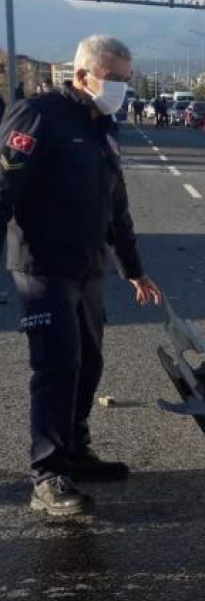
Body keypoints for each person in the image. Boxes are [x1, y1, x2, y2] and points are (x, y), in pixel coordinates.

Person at [1, 34, 162, 516]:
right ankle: (48, 475)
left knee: (89, 363)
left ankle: (76, 450)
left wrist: (134, 270)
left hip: (88, 267)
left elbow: (116, 203)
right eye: (113, 79)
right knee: (57, 367)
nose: (120, 89)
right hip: (42, 267)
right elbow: (3, 190)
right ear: (82, 76)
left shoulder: (105, 124)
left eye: (126, 81)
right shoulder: (39, 116)